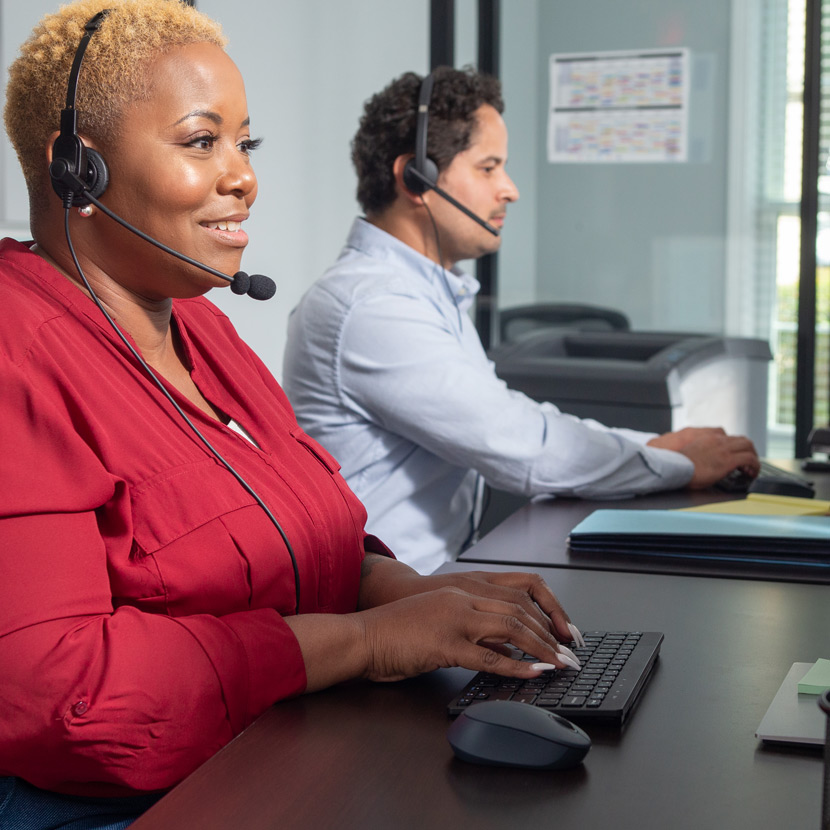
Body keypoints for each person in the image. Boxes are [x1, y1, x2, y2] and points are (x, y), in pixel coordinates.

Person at [0, 5, 582, 827]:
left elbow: (310, 535)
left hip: (274, 752)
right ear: (75, 171)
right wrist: (372, 642)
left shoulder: (202, 325)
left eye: (247, 143)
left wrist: (427, 604)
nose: (243, 176)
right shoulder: (14, 352)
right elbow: (69, 695)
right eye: (203, 142)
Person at [282, 67, 761, 575]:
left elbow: (516, 419)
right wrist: (680, 464)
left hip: (429, 589)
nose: (509, 189)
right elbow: (522, 447)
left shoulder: (423, 290)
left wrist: (657, 447)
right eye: (489, 168)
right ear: (415, 178)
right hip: (384, 616)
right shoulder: (371, 305)